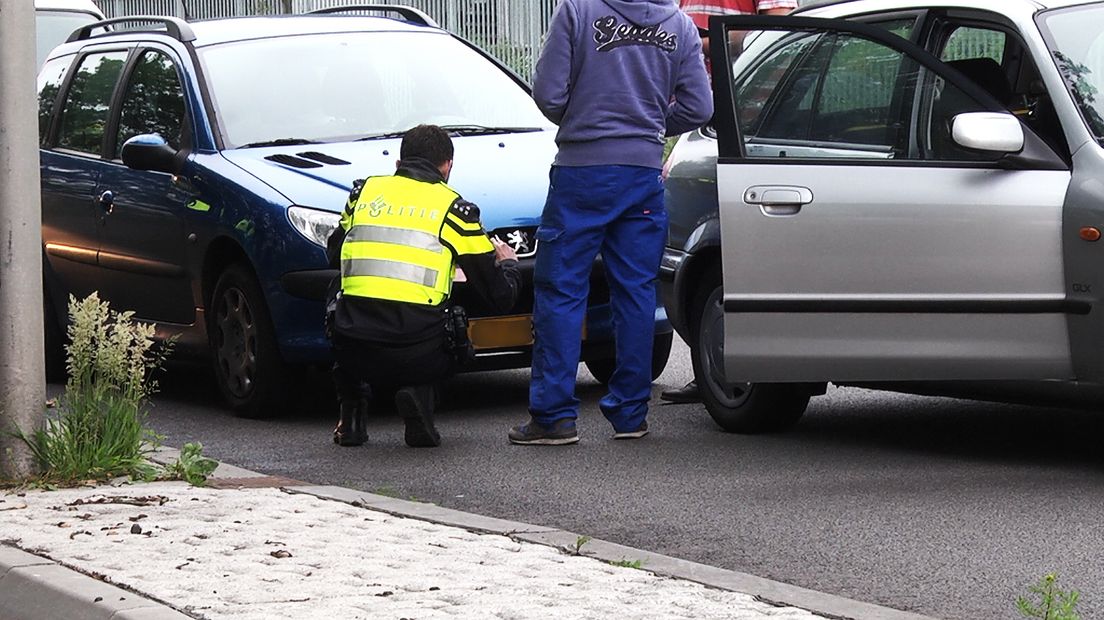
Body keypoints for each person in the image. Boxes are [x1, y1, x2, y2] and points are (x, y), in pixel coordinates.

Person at [507, 0, 713, 446]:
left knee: (562, 291)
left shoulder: (576, 12)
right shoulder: (678, 24)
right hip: (641, 175)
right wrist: (651, 123)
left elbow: (548, 95)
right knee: (637, 292)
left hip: (581, 173)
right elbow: (699, 106)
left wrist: (585, 118)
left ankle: (554, 416)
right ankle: (630, 413)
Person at [327, 124, 520, 448]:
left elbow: (334, 254)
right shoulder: (456, 210)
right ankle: (420, 396)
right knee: (454, 320)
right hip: (417, 352)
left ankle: (352, 417)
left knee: (336, 288)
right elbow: (498, 297)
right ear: (448, 167)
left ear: (398, 165)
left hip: (353, 346)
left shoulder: (362, 193)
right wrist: (510, 265)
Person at [660, 0, 797, 406]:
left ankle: (743, 364)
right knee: (704, 251)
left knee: (743, 250)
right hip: (702, 123)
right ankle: (708, 368)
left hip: (753, 125)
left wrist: (707, 42)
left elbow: (779, 34)